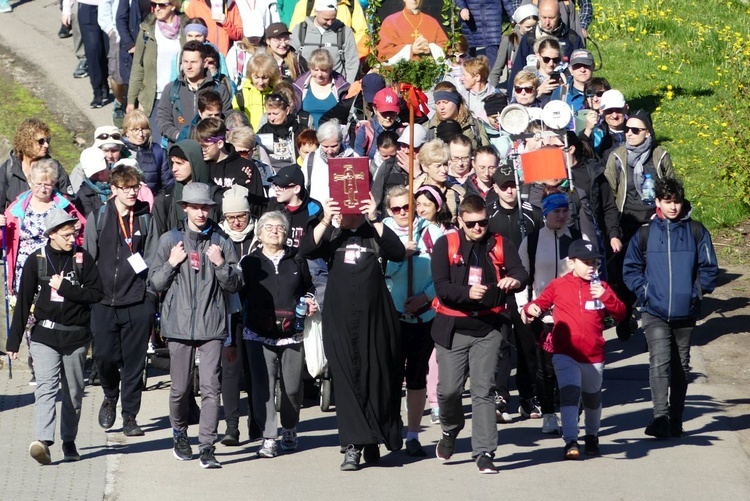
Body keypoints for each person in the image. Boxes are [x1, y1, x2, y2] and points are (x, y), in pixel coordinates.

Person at [300, 193, 406, 471]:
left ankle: (372, 437)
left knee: (374, 377)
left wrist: (375, 217)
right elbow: (306, 249)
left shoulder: (374, 231)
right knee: (346, 381)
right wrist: (325, 218)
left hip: (375, 318)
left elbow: (396, 252)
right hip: (340, 319)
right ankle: (352, 446)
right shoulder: (332, 233)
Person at [148, 182, 242, 469]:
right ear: (185, 208)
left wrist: (220, 264)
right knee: (179, 390)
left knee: (211, 388)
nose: (201, 212)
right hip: (178, 325)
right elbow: (154, 283)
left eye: (206, 207)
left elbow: (236, 283)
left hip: (212, 324)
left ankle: (207, 446)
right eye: (196, 207)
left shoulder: (221, 241)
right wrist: (171, 263)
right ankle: (179, 434)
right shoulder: (169, 241)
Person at [431, 194, 527, 474]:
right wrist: (466, 293)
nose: (478, 228)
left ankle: (484, 451)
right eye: (471, 223)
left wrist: (515, 280)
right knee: (448, 390)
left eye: (482, 222)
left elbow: (521, 271)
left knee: (483, 390)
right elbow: (441, 286)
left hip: (489, 326)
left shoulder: (499, 243)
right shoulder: (445, 245)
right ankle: (450, 430)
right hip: (453, 327)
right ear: (460, 220)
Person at [622, 177, 718, 439]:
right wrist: (646, 292)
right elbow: (630, 269)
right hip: (654, 311)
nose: (672, 207)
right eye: (667, 202)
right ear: (658, 203)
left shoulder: (697, 231)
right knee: (659, 363)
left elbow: (709, 268)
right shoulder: (645, 234)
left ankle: (676, 420)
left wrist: (695, 293)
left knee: (680, 367)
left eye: (676, 202)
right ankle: (660, 417)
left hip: (686, 312)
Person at [6, 209, 103, 465]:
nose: (72, 239)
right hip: (44, 336)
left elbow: (96, 294)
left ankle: (68, 440)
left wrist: (66, 288)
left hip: (76, 337)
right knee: (46, 388)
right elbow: (25, 300)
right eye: (66, 235)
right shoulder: (36, 260)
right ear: (51, 235)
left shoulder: (83, 258)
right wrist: (12, 342)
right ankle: (43, 442)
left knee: (72, 393)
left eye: (74, 233)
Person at [522, 239, 625, 459]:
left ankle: (592, 437)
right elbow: (539, 304)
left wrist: (606, 298)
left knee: (592, 399)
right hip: (565, 352)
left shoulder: (602, 287)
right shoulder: (558, 285)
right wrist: (529, 310)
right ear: (571, 263)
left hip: (594, 354)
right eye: (586, 262)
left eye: (595, 263)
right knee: (569, 394)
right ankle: (570, 440)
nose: (591, 267)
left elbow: (621, 314)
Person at [83, 163, 157, 438]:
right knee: (103, 356)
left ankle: (130, 416)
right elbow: (88, 259)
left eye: (134, 187)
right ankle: (110, 395)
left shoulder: (146, 218)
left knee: (135, 362)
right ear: (112, 189)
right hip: (103, 301)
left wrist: (149, 295)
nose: (131, 193)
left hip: (137, 301)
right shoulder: (99, 217)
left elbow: (151, 258)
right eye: (124, 188)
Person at [241, 211, 316, 458]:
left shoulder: (297, 260)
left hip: (291, 334)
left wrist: (310, 301)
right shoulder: (249, 262)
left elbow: (309, 288)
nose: (274, 231)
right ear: (259, 233)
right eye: (269, 227)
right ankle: (269, 437)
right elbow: (239, 295)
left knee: (292, 388)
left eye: (279, 228)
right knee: (263, 387)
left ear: (286, 234)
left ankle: (290, 427)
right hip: (258, 334)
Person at [381, 185, 443, 457]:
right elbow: (379, 273)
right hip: (392, 317)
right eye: (396, 208)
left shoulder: (433, 232)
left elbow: (444, 276)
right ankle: (392, 429)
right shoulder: (381, 233)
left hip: (423, 316)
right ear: (388, 210)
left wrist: (424, 298)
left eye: (407, 206)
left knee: (417, 377)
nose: (403, 212)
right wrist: (399, 255)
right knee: (391, 376)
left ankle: (414, 434)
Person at [515, 189, 583, 434]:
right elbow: (521, 275)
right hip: (541, 314)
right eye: (556, 211)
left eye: (565, 210)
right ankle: (548, 414)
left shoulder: (576, 237)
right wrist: (524, 305)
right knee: (545, 368)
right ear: (545, 213)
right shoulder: (532, 241)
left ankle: (571, 408)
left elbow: (589, 272)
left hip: (572, 314)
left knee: (573, 365)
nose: (562, 215)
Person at [604, 109, 674, 340]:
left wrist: (665, 213)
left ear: (647, 132)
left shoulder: (660, 155)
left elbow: (672, 187)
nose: (629, 134)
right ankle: (625, 315)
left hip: (654, 219)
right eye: (627, 129)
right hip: (627, 220)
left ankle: (653, 324)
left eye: (636, 130)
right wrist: (613, 229)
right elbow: (609, 194)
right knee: (626, 269)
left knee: (654, 271)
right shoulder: (618, 156)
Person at [486, 164, 544, 420]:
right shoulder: (488, 216)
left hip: (526, 289)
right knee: (499, 346)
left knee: (527, 345)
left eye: (513, 185)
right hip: (498, 289)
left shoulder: (532, 213)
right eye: (504, 185)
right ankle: (500, 397)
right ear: (495, 188)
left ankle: (528, 397)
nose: (510, 190)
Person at [1, 160, 86, 297]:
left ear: (54, 184)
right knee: (25, 312)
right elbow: (2, 239)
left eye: (47, 184)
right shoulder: (17, 207)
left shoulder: (64, 207)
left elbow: (83, 233)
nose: (42, 189)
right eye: (38, 184)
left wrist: (77, 229)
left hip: (55, 267)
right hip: (23, 268)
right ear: (30, 182)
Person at [218, 185, 261, 445]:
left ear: (248, 215)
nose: (235, 222)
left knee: (256, 371)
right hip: (229, 314)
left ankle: (256, 421)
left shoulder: (260, 234)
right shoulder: (219, 239)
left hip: (256, 313)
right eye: (230, 217)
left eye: (240, 217)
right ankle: (231, 427)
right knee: (231, 371)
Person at [126, 0, 189, 139]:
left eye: (161, 5)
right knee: (156, 144)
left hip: (180, 96)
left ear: (173, 5)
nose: (156, 9)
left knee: (180, 142)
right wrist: (131, 102)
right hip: (154, 98)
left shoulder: (186, 28)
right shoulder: (147, 29)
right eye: (154, 5)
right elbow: (138, 67)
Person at [157, 41, 234, 146]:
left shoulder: (219, 89)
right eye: (185, 61)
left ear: (204, 62)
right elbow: (162, 120)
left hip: (212, 150)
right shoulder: (171, 89)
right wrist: (179, 135)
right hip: (180, 150)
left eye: (193, 62)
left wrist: (212, 137)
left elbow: (228, 119)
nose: (188, 66)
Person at [507, 0, 584, 95]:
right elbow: (517, 72)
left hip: (564, 95)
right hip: (534, 98)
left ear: (559, 15)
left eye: (551, 18)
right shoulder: (529, 38)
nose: (547, 22)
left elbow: (582, 73)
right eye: (543, 17)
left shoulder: (572, 39)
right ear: (538, 14)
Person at [195, 118, 266, 217]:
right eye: (200, 147)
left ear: (220, 143)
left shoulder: (246, 167)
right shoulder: (201, 166)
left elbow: (258, 206)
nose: (202, 151)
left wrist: (242, 190)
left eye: (205, 147)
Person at [0, 119, 73, 208]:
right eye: (41, 141)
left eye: (47, 140)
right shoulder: (8, 169)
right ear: (26, 142)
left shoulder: (54, 167)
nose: (46, 145)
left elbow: (69, 201)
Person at [152, 139, 213, 235]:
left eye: (180, 163)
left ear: (194, 162)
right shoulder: (164, 199)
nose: (174, 169)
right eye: (173, 163)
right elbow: (156, 239)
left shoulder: (216, 195)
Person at [290, 0, 359, 83]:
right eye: (326, 19)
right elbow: (290, 59)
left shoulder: (345, 32)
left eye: (333, 19)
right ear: (316, 12)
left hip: (336, 87)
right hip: (305, 87)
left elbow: (352, 62)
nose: (329, 23)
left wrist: (347, 86)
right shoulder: (300, 30)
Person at [301, 119, 355, 203]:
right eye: (325, 146)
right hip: (319, 212)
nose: (329, 151)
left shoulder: (354, 158)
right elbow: (303, 187)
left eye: (334, 146)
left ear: (340, 141)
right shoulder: (311, 160)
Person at [293, 49, 351, 128]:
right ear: (310, 68)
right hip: (307, 136)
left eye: (323, 70)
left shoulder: (342, 88)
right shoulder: (299, 87)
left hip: (332, 136)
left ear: (330, 69)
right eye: (315, 70)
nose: (319, 74)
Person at [377, 0, 448, 64]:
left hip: (431, 72)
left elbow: (445, 46)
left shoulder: (432, 21)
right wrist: (411, 50)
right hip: (400, 74)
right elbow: (384, 53)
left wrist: (430, 48)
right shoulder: (390, 21)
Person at [413, 139, 466, 223]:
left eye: (445, 164)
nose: (444, 170)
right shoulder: (412, 191)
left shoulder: (457, 194)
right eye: (438, 166)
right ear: (425, 167)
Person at [122, 109, 173, 194]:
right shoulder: (121, 151)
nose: (141, 134)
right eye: (135, 129)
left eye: (144, 129)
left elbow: (168, 183)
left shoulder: (158, 151)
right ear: (126, 131)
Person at [425, 82, 490, 149]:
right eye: (438, 103)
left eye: (445, 102)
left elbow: (486, 153)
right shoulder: (429, 128)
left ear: (456, 101)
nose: (441, 107)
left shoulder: (474, 126)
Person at [489, 3, 538, 89]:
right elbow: (497, 69)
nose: (531, 30)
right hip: (516, 87)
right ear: (518, 24)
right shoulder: (509, 40)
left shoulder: (540, 39)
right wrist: (490, 92)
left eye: (534, 27)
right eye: (528, 27)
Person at [455, 0, 516, 67]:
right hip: (470, 17)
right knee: (469, 51)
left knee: (493, 49)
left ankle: (492, 76)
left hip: (492, 17)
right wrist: (462, 8)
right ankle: (470, 74)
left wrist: (512, 16)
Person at [257, 93, 308, 172]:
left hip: (297, 175)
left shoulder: (301, 131)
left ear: (287, 111)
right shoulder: (262, 133)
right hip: (271, 177)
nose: (271, 118)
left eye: (275, 114)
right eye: (269, 114)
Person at [233, 54, 280, 130]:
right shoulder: (240, 96)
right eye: (256, 77)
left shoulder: (277, 93)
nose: (261, 82)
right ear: (250, 75)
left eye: (265, 78)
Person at [353, 88, 402, 159]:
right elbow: (358, 161)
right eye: (384, 113)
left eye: (392, 112)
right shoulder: (365, 130)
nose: (388, 117)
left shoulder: (403, 131)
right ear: (375, 109)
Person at [457, 56, 499, 122]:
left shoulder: (497, 98)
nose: (461, 78)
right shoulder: (460, 96)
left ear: (477, 77)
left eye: (464, 75)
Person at [74, 147, 111, 218]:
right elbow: (91, 220)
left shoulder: (120, 181)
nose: (99, 174)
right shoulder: (83, 195)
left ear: (106, 163)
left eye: (101, 170)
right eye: (94, 173)